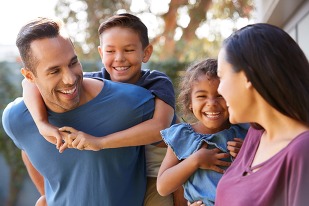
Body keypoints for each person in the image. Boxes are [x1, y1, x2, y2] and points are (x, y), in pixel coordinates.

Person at [21, 13, 182, 206]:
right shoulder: (94, 82)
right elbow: (29, 83)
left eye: (129, 50)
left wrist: (100, 142)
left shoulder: (156, 82)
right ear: (101, 52)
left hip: (155, 172)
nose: (119, 58)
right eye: (110, 51)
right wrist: (41, 124)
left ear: (146, 53)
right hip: (120, 172)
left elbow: (161, 128)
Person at [192, 23, 309, 206]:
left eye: (222, 77)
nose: (220, 89)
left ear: (248, 76)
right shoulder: (255, 134)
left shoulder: (302, 150)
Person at [156, 59, 248, 206]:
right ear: (190, 103)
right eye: (201, 96)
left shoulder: (245, 130)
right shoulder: (183, 136)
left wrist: (248, 154)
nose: (211, 103)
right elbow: (163, 186)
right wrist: (195, 160)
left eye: (220, 95)